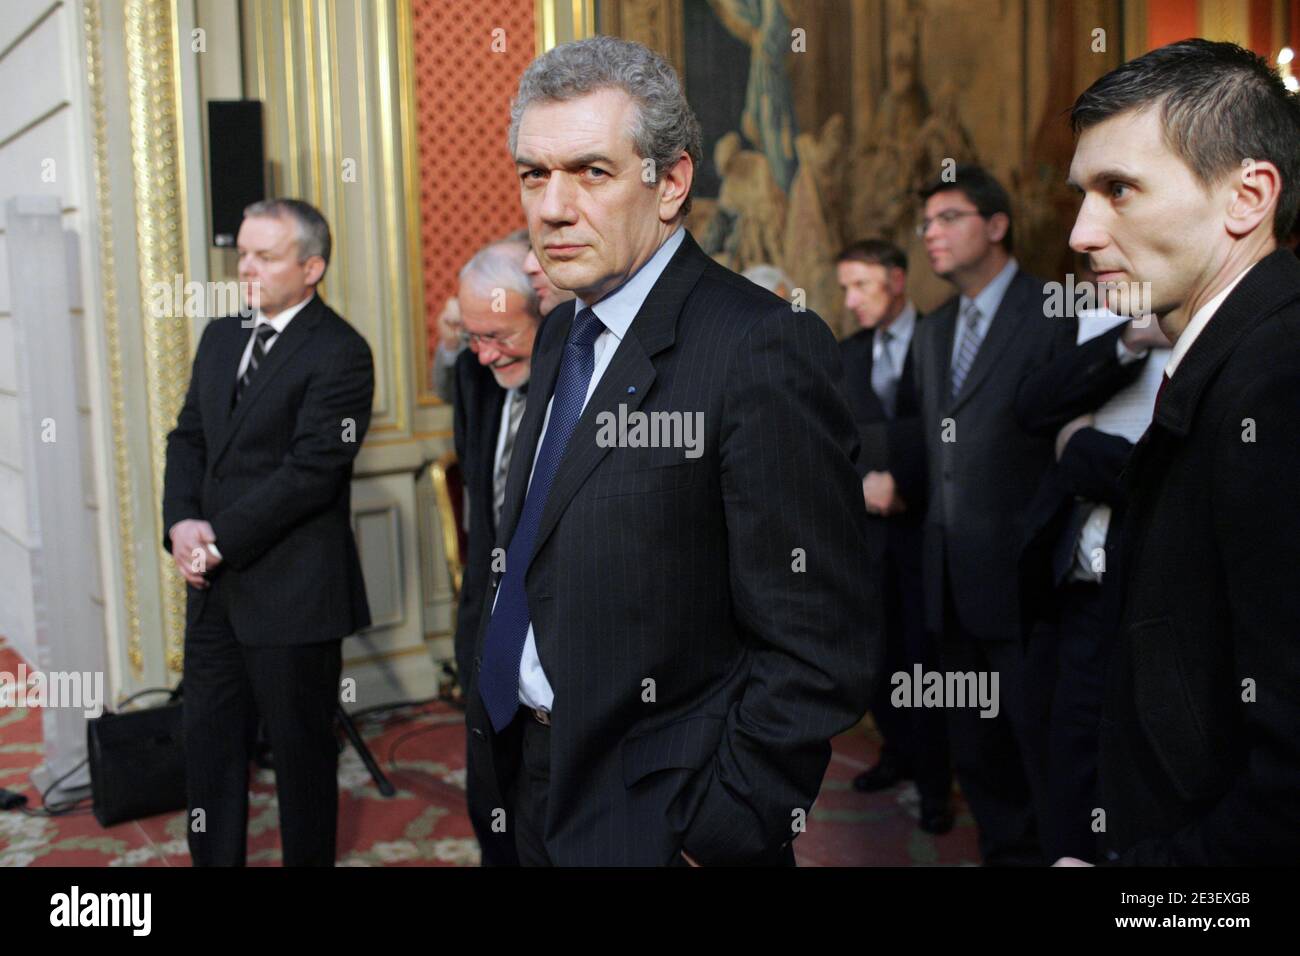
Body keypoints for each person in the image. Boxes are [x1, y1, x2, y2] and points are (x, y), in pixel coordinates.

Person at [464, 35, 879, 866]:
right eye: (534, 174)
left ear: (671, 183)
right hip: (525, 772)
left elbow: (815, 639)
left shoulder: (761, 347)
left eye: (592, 171)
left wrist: (718, 830)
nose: (550, 207)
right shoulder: (559, 336)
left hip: (663, 815)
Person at [1060, 38, 1300, 865]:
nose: (1083, 232)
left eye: (1119, 189)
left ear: (1247, 195)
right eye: (1082, 194)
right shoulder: (1234, 356)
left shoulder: (1277, 382)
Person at [162, 199, 374, 866]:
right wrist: (180, 524)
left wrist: (215, 538)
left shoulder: (341, 352)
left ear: (311, 268)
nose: (245, 267)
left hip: (295, 595)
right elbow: (189, 437)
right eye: (242, 253)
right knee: (210, 753)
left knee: (302, 764)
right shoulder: (223, 334)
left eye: (264, 255)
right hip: (215, 593)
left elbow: (310, 473)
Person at [910, 165, 1074, 864]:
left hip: (1027, 583)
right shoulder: (932, 329)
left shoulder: (1055, 310)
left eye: (948, 219)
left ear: (997, 225)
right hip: (947, 582)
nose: (931, 236)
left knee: (1043, 749)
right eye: (924, 225)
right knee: (975, 752)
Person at [1015, 257, 1170, 862]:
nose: (1087, 240)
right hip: (1083, 589)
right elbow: (1033, 406)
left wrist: (1079, 447)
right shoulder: (1099, 317)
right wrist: (1132, 337)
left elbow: (1168, 477)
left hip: (1164, 597)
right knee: (1072, 764)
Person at [835, 238, 952, 833]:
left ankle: (935, 783)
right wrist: (860, 488)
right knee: (877, 659)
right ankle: (895, 753)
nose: (850, 300)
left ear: (898, 280)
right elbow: (830, 442)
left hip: (928, 534)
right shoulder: (846, 354)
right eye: (845, 287)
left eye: (861, 285)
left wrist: (906, 486)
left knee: (926, 663)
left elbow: (958, 436)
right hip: (865, 541)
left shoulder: (943, 341)